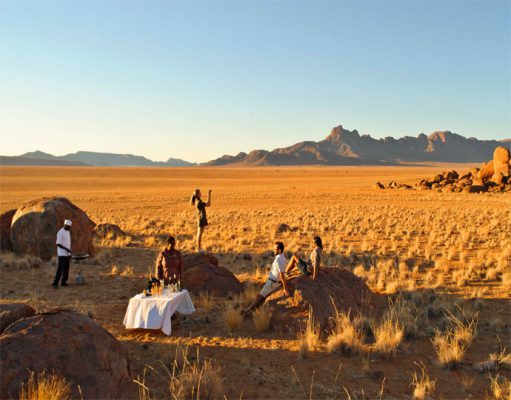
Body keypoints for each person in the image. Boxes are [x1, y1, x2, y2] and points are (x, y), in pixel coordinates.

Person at [244, 241, 289, 314]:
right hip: (274, 281)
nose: (273, 251)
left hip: (272, 283)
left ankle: (247, 312)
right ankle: (254, 311)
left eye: (275, 249)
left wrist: (285, 288)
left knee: (259, 297)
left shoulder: (278, 259)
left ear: (279, 250)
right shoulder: (283, 258)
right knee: (262, 297)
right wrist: (271, 268)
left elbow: (281, 274)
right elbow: (279, 271)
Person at [53, 219, 72, 288]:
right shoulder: (60, 232)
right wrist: (66, 249)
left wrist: (69, 251)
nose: (69, 228)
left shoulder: (68, 232)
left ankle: (64, 282)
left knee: (66, 268)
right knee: (60, 268)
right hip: (62, 254)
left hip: (67, 253)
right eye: (68, 227)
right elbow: (58, 244)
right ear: (65, 225)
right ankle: (55, 283)